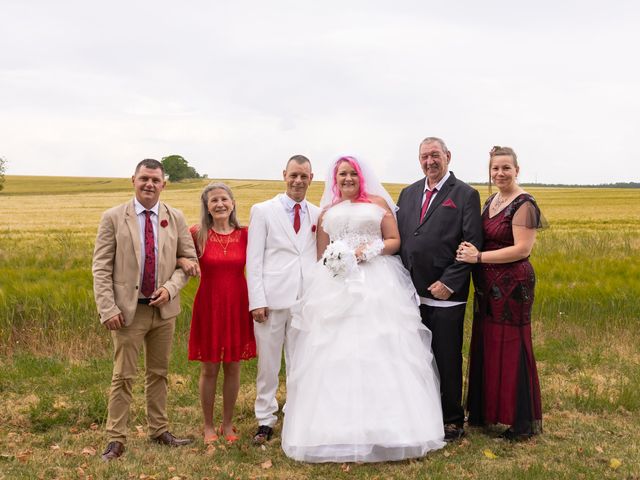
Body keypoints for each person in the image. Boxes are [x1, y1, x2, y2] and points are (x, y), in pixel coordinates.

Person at [281, 156, 445, 463]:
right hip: (337, 285)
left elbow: (394, 240)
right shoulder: (328, 211)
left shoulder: (378, 202)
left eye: (352, 173)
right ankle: (332, 431)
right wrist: (335, 265)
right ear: (335, 178)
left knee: (381, 348)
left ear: (361, 176)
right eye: (342, 174)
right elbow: (322, 253)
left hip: (377, 281)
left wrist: (368, 251)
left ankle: (390, 428)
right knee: (333, 351)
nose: (347, 179)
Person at [92, 159, 198, 461]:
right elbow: (101, 267)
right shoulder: (113, 217)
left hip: (164, 311)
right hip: (127, 312)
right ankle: (116, 439)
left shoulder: (175, 217)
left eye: (155, 180)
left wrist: (170, 288)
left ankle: (159, 429)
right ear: (133, 181)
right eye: (144, 179)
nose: (149, 184)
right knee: (123, 376)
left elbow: (187, 260)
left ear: (163, 184)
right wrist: (107, 307)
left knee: (159, 373)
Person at [396, 137, 483, 441]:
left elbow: (472, 243)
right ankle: (422, 413)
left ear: (448, 156)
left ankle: (452, 419)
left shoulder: (465, 195)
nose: (430, 161)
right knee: (414, 357)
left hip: (445, 295)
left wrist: (449, 282)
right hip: (409, 294)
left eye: (435, 155)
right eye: (424, 156)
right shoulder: (407, 194)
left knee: (446, 357)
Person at [456, 146, 545, 440]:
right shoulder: (491, 200)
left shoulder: (524, 204)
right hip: (487, 286)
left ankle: (519, 421)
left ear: (517, 170)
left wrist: (478, 258)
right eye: (495, 168)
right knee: (488, 343)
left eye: (506, 168)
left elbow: (523, 249)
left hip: (512, 285)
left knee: (511, 345)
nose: (500, 173)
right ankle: (487, 412)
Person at [246, 155, 320, 445]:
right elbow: (254, 259)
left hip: (305, 300)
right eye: (293, 175)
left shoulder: (317, 213)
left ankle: (295, 411)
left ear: (311, 178)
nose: (298, 181)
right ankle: (265, 418)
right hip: (272, 300)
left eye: (303, 176)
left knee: (299, 360)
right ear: (284, 175)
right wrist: (256, 300)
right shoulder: (263, 211)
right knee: (268, 363)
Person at [178, 182, 257, 444]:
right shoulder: (196, 234)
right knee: (209, 368)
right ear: (207, 207)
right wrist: (184, 261)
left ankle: (228, 424)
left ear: (233, 203)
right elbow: (174, 253)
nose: (220, 204)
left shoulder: (246, 234)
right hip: (209, 304)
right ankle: (209, 426)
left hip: (237, 303)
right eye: (214, 201)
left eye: (224, 199)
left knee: (233, 367)